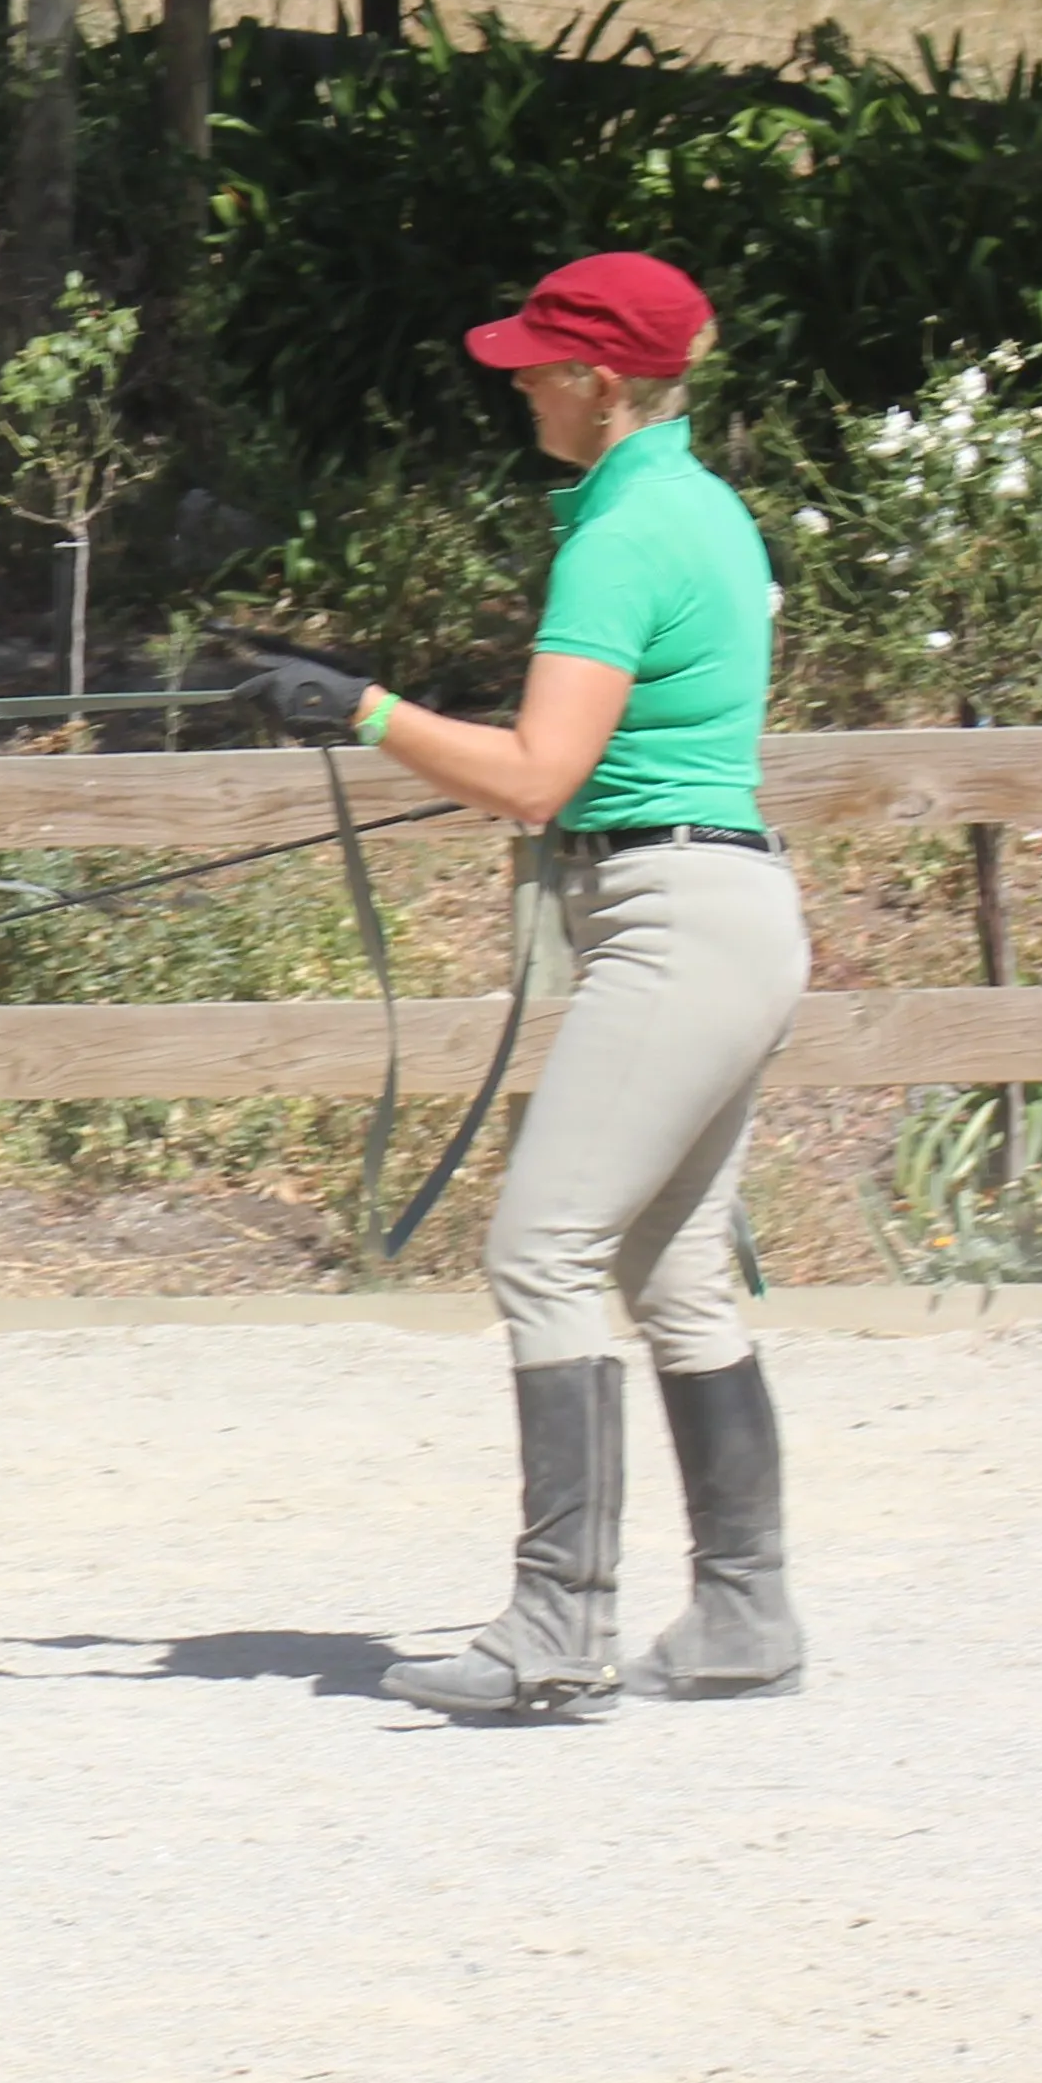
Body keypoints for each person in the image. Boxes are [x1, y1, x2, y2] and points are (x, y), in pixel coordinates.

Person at [220, 251, 811, 1718]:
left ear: (602, 385)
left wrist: (355, 705)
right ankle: (743, 1611)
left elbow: (540, 776)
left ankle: (559, 1628)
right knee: (671, 1275)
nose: (518, 382)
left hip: (671, 919)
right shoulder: (701, 509)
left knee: (540, 1252)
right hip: (725, 903)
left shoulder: (620, 539)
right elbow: (602, 753)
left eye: (540, 366)